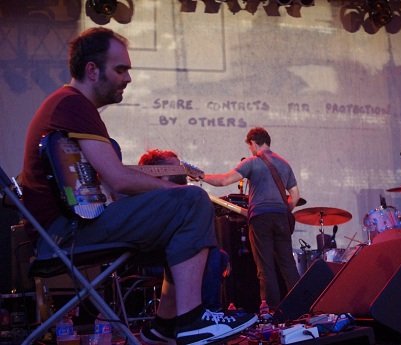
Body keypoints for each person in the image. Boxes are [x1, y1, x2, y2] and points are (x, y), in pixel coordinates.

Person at [20, 27, 256, 345]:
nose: (128, 78)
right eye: (121, 69)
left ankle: (163, 327)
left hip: (67, 229)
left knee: (181, 216)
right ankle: (192, 322)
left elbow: (105, 182)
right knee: (193, 201)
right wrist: (176, 193)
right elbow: (117, 179)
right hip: (65, 234)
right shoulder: (73, 105)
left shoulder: (67, 105)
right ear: (92, 70)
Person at [202, 127, 301, 312]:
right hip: (281, 218)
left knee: (265, 265)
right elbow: (295, 195)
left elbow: (224, 180)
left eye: (250, 147)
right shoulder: (284, 163)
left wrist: (201, 176)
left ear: (253, 143)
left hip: (261, 219)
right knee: (288, 264)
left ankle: (271, 309)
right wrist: (282, 209)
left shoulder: (253, 162)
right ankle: (301, 307)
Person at [138, 148, 231, 311]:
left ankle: (201, 312)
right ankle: (206, 313)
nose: (181, 167)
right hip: (154, 256)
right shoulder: (154, 196)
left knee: (218, 256)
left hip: (173, 252)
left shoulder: (176, 196)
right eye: (176, 164)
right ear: (160, 171)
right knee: (214, 257)